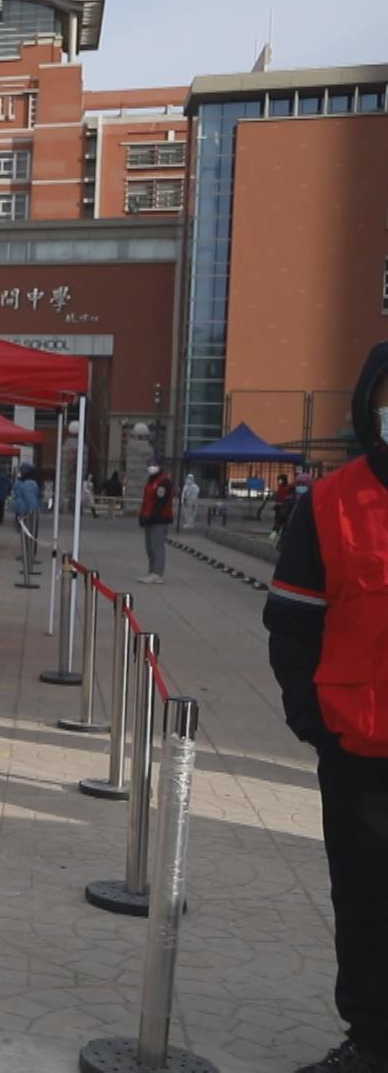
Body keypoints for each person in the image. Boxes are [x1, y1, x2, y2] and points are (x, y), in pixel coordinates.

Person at [264, 342, 388, 1073]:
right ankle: (371, 1039)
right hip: (358, 746)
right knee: (366, 899)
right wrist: (310, 718)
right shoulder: (331, 501)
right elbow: (292, 619)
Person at [139, 459, 175, 585]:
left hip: (159, 518)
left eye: (154, 465)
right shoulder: (152, 480)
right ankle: (151, 571)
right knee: (149, 546)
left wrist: (152, 516)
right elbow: (147, 500)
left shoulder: (163, 481)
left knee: (157, 546)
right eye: (149, 465)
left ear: (160, 466)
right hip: (149, 517)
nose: (151, 467)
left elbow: (161, 501)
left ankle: (157, 573)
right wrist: (142, 516)